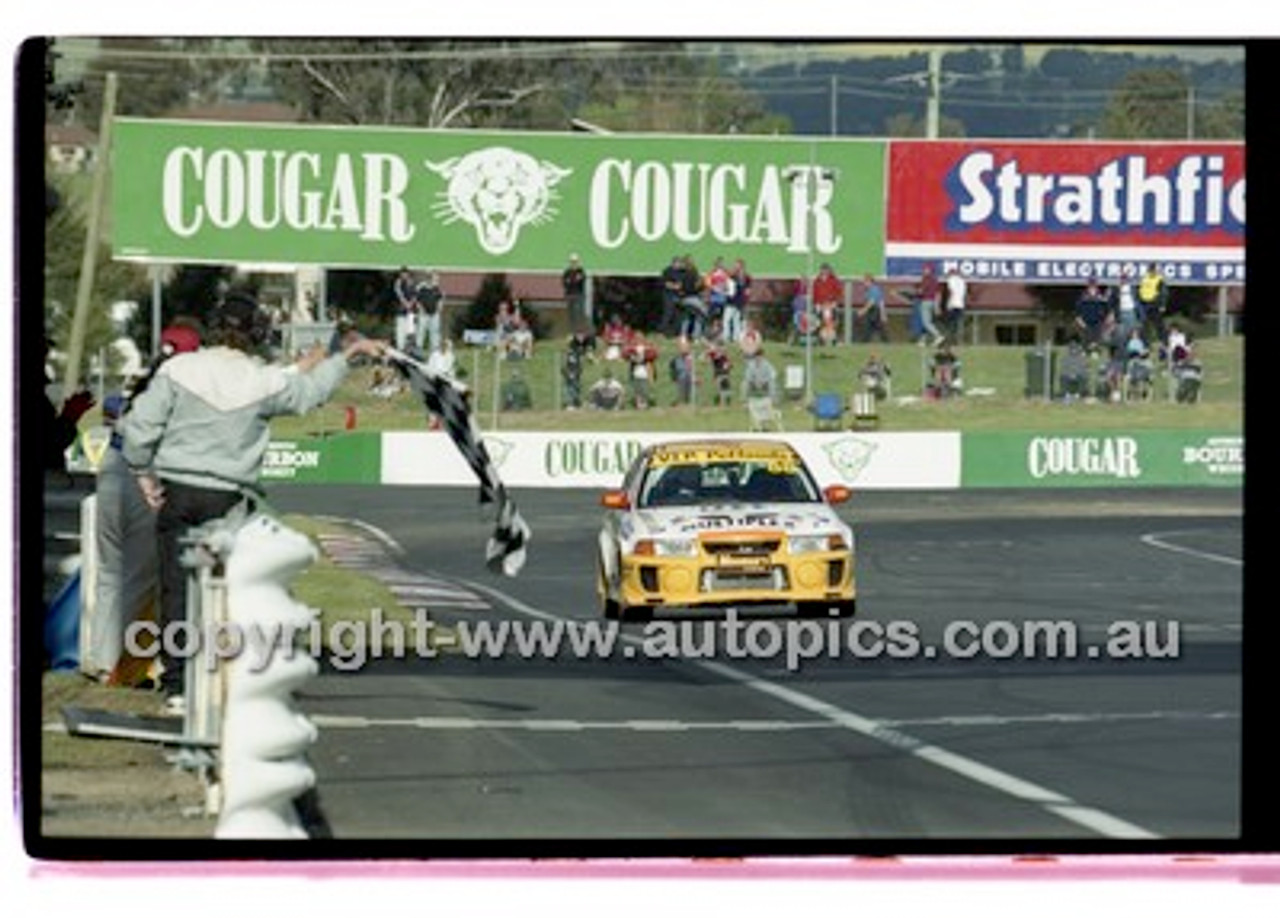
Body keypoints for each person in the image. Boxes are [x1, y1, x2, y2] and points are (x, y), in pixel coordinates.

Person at [119, 292, 387, 713]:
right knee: (238, 586)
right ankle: (240, 671)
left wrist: (142, 473)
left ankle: (177, 686)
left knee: (176, 590)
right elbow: (310, 393)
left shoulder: (178, 369)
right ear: (257, 333)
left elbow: (138, 430)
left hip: (177, 489)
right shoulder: (263, 380)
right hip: (228, 496)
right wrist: (347, 354)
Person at [85, 323, 202, 683]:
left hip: (111, 472)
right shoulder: (178, 388)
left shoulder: (141, 383)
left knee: (109, 573)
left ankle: (100, 658)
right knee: (141, 577)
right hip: (144, 476)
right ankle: (126, 666)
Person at [1074, 278, 1111, 352]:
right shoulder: (1082, 299)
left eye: (1094, 286)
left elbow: (1108, 311)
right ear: (1088, 287)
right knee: (1086, 345)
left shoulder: (1102, 299)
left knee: (1097, 345)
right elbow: (1077, 314)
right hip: (1085, 325)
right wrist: (1081, 323)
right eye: (1091, 287)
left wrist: (1106, 322)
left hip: (1098, 324)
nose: (1092, 288)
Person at [1137, 263, 1170, 344]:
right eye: (1150, 269)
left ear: (1156, 270)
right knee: (1144, 325)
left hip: (1155, 303)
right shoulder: (1145, 278)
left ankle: (1164, 342)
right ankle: (1144, 343)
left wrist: (1162, 305)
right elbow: (1141, 289)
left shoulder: (1159, 279)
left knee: (1159, 325)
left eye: (1153, 270)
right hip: (1144, 304)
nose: (1152, 271)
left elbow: (1164, 293)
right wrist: (1140, 299)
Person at [914, 263, 945, 347]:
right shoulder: (935, 280)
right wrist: (937, 305)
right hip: (933, 302)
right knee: (927, 322)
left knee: (926, 322)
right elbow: (938, 293)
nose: (923, 271)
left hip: (926, 301)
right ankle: (923, 340)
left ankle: (938, 335)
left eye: (925, 269)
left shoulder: (926, 279)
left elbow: (921, 291)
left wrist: (916, 291)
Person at [812, 263, 843, 346]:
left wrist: (834, 303)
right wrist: (817, 304)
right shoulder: (817, 281)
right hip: (820, 305)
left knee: (832, 322)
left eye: (826, 270)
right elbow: (814, 294)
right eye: (823, 270)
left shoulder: (834, 280)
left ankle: (834, 340)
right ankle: (820, 340)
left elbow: (839, 293)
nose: (825, 271)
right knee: (818, 322)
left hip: (831, 304)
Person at [415, 271, 445, 356]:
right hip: (424, 314)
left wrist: (440, 307)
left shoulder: (437, 289)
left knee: (435, 332)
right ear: (430, 279)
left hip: (434, 314)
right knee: (421, 332)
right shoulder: (422, 288)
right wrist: (421, 309)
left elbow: (440, 299)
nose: (437, 281)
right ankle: (418, 350)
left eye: (437, 279)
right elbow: (418, 301)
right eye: (435, 279)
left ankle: (434, 351)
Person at [392, 266, 420, 353]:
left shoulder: (413, 282)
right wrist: (406, 303)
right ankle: (400, 347)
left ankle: (410, 348)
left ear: (408, 274)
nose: (404, 275)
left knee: (411, 330)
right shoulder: (398, 282)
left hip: (411, 311)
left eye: (405, 273)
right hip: (401, 310)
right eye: (402, 273)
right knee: (400, 330)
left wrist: (411, 303)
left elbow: (415, 295)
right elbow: (399, 294)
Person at [857, 274, 890, 343]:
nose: (864, 283)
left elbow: (872, 302)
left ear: (870, 281)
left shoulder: (874, 289)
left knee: (878, 328)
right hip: (872, 311)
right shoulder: (868, 290)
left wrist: (863, 311)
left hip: (874, 311)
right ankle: (864, 342)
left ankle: (887, 342)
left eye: (865, 282)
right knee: (868, 328)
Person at [725, 258, 751, 344]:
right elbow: (747, 291)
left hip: (734, 301)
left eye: (736, 265)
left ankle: (728, 337)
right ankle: (735, 337)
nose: (735, 266)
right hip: (738, 301)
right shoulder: (745, 277)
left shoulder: (737, 277)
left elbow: (747, 291)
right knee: (735, 320)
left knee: (728, 320)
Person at [660, 255, 686, 339]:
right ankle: (663, 332)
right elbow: (665, 283)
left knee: (678, 314)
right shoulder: (667, 271)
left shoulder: (682, 272)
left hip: (679, 296)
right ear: (673, 263)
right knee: (668, 313)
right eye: (678, 263)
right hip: (669, 295)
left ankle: (675, 333)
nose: (679, 265)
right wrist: (675, 286)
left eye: (680, 263)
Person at [562, 253, 588, 334]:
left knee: (579, 314)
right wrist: (574, 280)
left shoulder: (581, 271)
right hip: (570, 295)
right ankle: (571, 332)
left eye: (575, 261)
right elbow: (565, 283)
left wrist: (572, 281)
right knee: (571, 315)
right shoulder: (567, 272)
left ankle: (581, 331)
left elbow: (580, 280)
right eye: (572, 261)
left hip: (579, 295)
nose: (573, 263)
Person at [944, 268, 967, 342]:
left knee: (950, 324)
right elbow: (964, 294)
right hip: (960, 304)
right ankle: (958, 339)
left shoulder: (951, 280)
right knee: (958, 323)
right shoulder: (962, 281)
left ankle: (949, 339)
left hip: (953, 304)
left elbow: (951, 292)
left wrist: (949, 303)